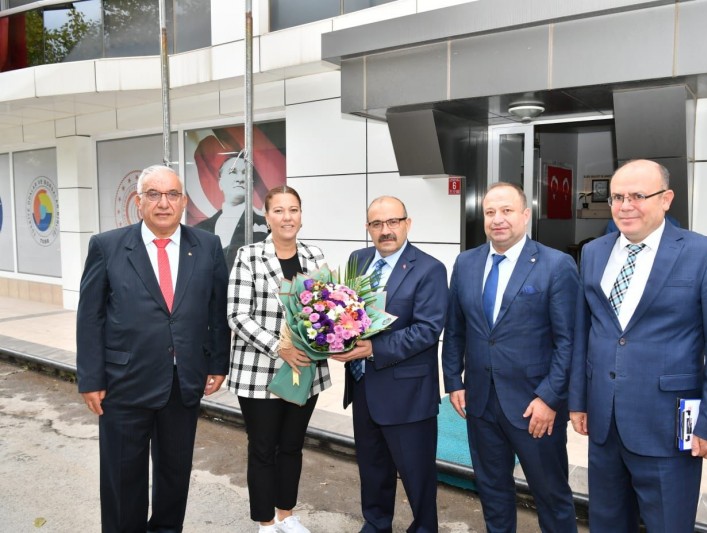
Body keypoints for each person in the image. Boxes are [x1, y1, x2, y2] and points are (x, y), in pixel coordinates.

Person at [568, 159, 707, 532]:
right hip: (604, 423)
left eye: (638, 196)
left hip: (666, 426)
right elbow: (586, 331)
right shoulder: (594, 252)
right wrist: (578, 400)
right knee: (607, 523)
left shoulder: (706, 254)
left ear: (666, 199)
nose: (625, 205)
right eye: (617, 197)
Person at [76, 164, 230, 533]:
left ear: (184, 201)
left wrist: (217, 363)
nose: (164, 203)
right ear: (139, 201)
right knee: (122, 477)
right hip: (123, 383)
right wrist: (90, 378)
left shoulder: (207, 246)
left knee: (174, 474)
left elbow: (217, 309)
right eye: (154, 195)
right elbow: (90, 317)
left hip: (183, 381)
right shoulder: (107, 246)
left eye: (172, 195)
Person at [442, 182, 579, 533]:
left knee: (551, 496)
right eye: (490, 212)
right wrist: (454, 381)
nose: (497, 219)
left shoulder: (556, 265)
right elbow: (455, 328)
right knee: (492, 491)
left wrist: (550, 398)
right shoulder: (466, 263)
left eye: (506, 211)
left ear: (525, 215)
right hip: (481, 402)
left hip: (535, 406)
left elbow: (569, 341)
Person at [332, 196, 448, 533]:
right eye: (377, 224)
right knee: (372, 467)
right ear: (367, 228)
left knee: (416, 474)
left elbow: (427, 330)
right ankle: (376, 523)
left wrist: (372, 349)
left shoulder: (429, 269)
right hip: (364, 387)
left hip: (408, 393)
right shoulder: (358, 260)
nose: (386, 230)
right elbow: (346, 312)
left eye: (393, 222)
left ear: (407, 224)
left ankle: (424, 528)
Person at [227, 185, 330, 533]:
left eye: (293, 210)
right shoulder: (249, 256)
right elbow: (237, 315)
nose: (287, 217)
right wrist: (279, 347)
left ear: (301, 215)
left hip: (306, 369)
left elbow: (327, 308)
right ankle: (266, 521)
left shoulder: (314, 255)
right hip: (260, 371)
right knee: (262, 448)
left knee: (292, 446)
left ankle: (286, 514)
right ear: (267, 216)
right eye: (279, 210)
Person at [195, 154, 269, 271]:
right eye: (233, 172)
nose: (240, 178)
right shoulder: (200, 229)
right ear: (220, 183)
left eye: (245, 173)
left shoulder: (265, 225)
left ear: (252, 184)